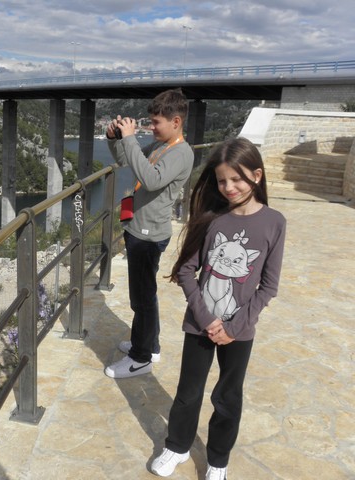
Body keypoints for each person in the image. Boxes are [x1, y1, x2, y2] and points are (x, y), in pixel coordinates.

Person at [150, 137, 286, 480]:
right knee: (188, 391)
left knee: (228, 396)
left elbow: (269, 285)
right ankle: (177, 446)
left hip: (240, 331)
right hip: (200, 324)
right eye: (222, 180)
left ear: (257, 175)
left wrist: (234, 327)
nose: (229, 187)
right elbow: (185, 271)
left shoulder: (274, 222)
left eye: (236, 179)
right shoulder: (212, 218)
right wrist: (207, 319)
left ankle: (218, 460)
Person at [104, 89, 194, 378]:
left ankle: (140, 358)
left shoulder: (181, 153)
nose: (151, 127)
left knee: (141, 299)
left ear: (176, 121)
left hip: (148, 233)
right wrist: (115, 138)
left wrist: (131, 138)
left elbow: (151, 180)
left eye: (156, 122)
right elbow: (127, 161)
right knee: (145, 295)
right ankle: (149, 344)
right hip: (139, 228)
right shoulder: (160, 146)